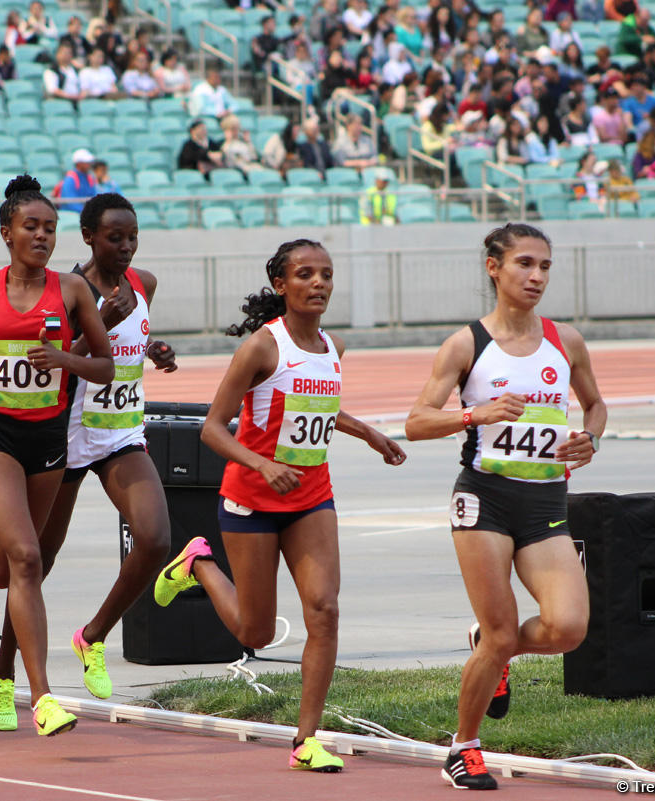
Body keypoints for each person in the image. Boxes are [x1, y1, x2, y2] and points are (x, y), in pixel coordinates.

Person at [154, 238, 405, 773]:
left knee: (325, 610)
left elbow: (321, 407)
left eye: (326, 275)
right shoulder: (262, 348)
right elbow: (212, 429)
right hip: (252, 500)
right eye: (305, 274)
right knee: (255, 634)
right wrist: (262, 464)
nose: (318, 283)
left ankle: (306, 739)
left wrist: (368, 433)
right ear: (280, 285)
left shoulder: (333, 347)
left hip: (312, 497)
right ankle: (196, 562)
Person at [0, 193, 177, 706]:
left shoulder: (144, 285)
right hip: (62, 433)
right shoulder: (70, 289)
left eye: (133, 237)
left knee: (156, 537)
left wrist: (153, 350)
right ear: (89, 237)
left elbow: (123, 353)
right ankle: (3, 670)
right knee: (30, 563)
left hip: (117, 431)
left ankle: (91, 637)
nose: (127, 247)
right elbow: (50, 357)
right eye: (115, 237)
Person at [404, 222, 606, 791]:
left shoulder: (566, 341)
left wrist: (589, 439)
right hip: (484, 499)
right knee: (499, 636)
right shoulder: (469, 344)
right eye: (524, 263)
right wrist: (476, 414)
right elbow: (416, 422)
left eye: (544, 266)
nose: (536, 276)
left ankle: (491, 648)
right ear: (494, 267)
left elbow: (594, 406)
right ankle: (463, 748)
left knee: (568, 628)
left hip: (545, 500)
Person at [0, 174, 114, 736]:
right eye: (31, 227)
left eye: (50, 229)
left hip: (47, 440)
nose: (42, 236)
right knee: (29, 558)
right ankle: (43, 697)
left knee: (10, 568)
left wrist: (66, 361)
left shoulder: (73, 291)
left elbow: (104, 365)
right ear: (8, 232)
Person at [58, 149, 98, 213]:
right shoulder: (70, 179)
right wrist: (88, 212)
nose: (89, 164)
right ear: (79, 164)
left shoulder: (89, 178)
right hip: (71, 215)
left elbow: (94, 197)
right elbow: (71, 203)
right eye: (87, 162)